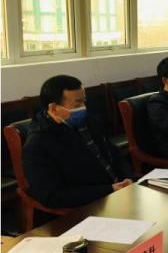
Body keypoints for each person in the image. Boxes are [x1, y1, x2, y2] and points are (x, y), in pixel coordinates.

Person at [23, 75, 133, 211]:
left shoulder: (87, 120)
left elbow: (113, 153)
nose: (83, 108)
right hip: (92, 204)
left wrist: (128, 178)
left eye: (84, 101)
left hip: (120, 191)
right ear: (53, 108)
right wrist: (109, 190)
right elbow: (51, 196)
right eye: (77, 104)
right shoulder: (38, 144)